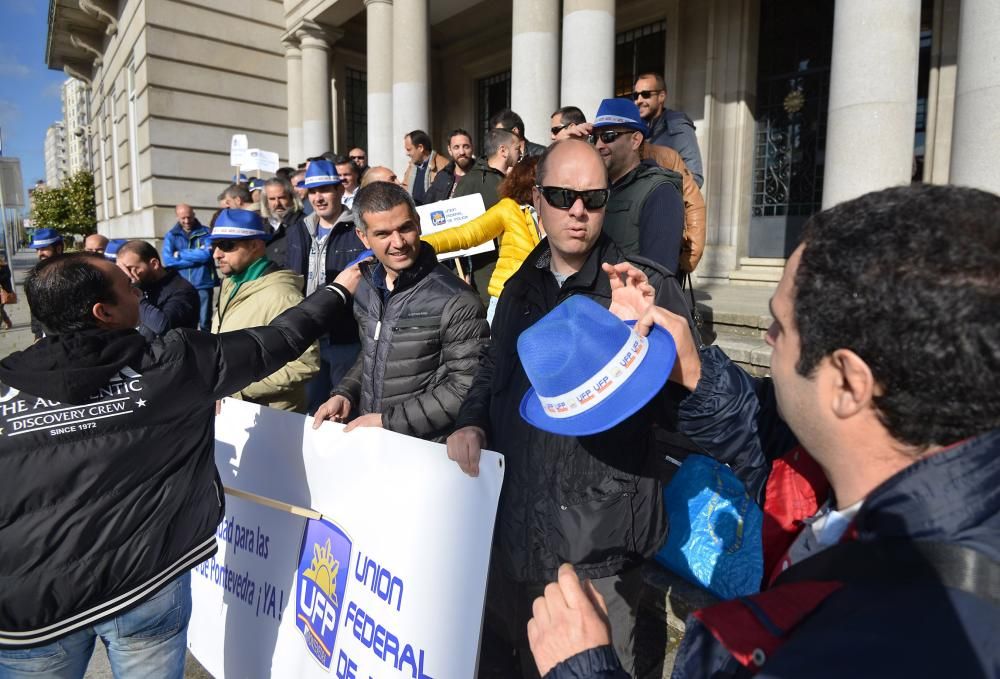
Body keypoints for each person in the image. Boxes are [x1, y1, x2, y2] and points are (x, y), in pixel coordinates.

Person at [532, 183, 1000, 678]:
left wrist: (583, 668)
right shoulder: (886, 454)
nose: (769, 338)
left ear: (846, 383)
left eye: (778, 326)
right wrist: (692, 369)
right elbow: (772, 442)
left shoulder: (895, 642)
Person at [0, 250, 360, 678]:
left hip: (35, 605)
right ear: (104, 312)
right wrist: (339, 289)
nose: (138, 288)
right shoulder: (174, 361)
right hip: (132, 590)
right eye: (127, 286)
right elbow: (279, 340)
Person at [446, 139, 697, 678]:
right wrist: (471, 419)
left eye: (593, 197)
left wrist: (644, 349)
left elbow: (686, 410)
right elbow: (494, 368)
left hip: (602, 549)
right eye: (562, 196)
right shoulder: (519, 285)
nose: (578, 210)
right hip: (516, 532)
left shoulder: (642, 288)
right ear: (537, 199)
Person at [313, 181, 489, 442]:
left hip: (426, 450)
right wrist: (346, 393)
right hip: (376, 441)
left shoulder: (457, 300)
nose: (398, 243)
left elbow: (467, 386)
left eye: (405, 228)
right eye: (383, 234)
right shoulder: (366, 287)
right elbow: (374, 352)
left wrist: (388, 422)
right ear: (363, 237)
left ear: (418, 223)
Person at [210, 209, 319, 413]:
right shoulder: (231, 283)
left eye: (226, 245)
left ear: (255, 245)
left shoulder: (282, 294)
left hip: (272, 420)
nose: (216, 254)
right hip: (236, 410)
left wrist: (238, 389)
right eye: (214, 245)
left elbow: (305, 364)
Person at [285, 160, 365, 414]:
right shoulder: (298, 230)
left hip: (346, 336)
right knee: (312, 408)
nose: (318, 198)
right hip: (308, 336)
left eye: (325, 190)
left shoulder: (358, 228)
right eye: (312, 191)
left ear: (341, 189)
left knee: (344, 407)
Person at [422, 156, 543, 322]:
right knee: (496, 348)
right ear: (529, 181)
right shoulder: (508, 208)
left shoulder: (558, 213)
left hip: (541, 300)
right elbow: (468, 234)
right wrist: (420, 243)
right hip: (507, 298)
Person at [590, 98, 685, 275]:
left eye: (608, 136)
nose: (598, 145)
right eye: (594, 138)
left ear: (635, 140)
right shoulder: (598, 188)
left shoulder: (661, 192)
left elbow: (658, 275)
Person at [116, 240, 199, 340]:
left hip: (172, 353)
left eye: (130, 269)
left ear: (154, 264)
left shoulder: (183, 290)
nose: (127, 275)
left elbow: (163, 326)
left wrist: (136, 293)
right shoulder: (143, 285)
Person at [633, 72, 704, 187]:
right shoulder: (636, 128)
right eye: (636, 95)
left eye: (646, 94)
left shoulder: (678, 127)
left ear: (661, 96)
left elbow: (695, 179)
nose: (639, 100)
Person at [161, 204, 217, 331]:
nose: (187, 221)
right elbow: (169, 261)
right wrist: (197, 256)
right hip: (182, 285)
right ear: (177, 217)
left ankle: (207, 347)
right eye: (183, 218)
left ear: (194, 215)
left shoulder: (206, 232)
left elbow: (207, 255)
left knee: (205, 322)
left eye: (189, 217)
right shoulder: (171, 235)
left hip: (203, 282)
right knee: (186, 322)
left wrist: (180, 254)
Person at [453, 127, 519, 210]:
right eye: (517, 149)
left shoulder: (513, 180)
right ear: (503, 151)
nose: (520, 153)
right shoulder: (469, 182)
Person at [28, 227, 64, 339]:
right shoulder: (36, 274)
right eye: (37, 249)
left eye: (44, 248)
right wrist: (37, 334)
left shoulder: (73, 272)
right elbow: (35, 308)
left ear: (58, 249)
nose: (40, 253)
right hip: (46, 337)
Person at [424, 128, 476, 204]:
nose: (462, 152)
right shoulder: (442, 177)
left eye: (466, 146)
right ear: (449, 150)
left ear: (472, 148)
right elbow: (427, 205)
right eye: (456, 147)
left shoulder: (483, 176)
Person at [401, 129, 449, 206]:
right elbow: (404, 189)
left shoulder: (444, 166)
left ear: (420, 147)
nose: (407, 153)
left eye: (409, 149)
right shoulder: (411, 167)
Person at [263, 176, 302, 268]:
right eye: (272, 199)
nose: (277, 203)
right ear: (266, 201)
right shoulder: (261, 225)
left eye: (282, 198)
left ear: (292, 198)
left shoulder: (303, 224)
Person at [0, 255, 13, 330]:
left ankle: (7, 322)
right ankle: (8, 322)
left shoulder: (4, 265)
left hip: (4, 290)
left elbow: (8, 275)